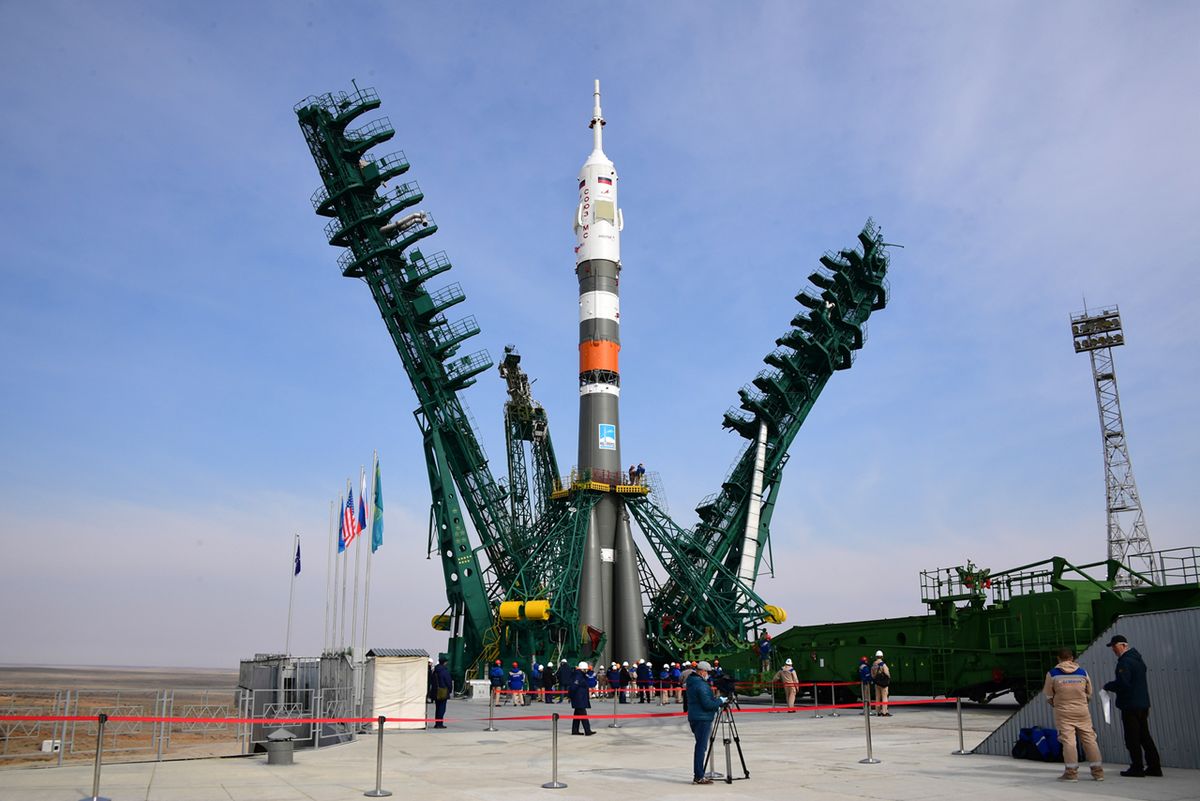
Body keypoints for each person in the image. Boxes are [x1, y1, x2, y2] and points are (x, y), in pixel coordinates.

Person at [1102, 635, 1162, 778]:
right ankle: (1154, 766)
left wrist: (1108, 686)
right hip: (1142, 704)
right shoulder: (1138, 660)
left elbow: (1123, 683)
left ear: (1123, 645)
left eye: (1115, 646)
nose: (1113, 650)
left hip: (1130, 705)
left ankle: (1137, 767)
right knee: (1144, 736)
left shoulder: (1125, 662)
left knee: (1132, 737)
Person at [1043, 647, 1103, 781]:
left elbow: (1048, 695)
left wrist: (1056, 704)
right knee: (1089, 739)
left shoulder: (1052, 674)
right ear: (1072, 658)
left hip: (1063, 711)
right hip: (1082, 710)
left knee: (1069, 741)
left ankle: (1071, 773)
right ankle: (1098, 772)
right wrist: (1082, 702)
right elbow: (1089, 693)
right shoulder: (1082, 672)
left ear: (1058, 659)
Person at [685, 660, 724, 785]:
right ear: (702, 672)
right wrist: (720, 701)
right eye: (707, 672)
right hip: (702, 718)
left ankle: (699, 774)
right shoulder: (701, 685)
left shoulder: (691, 682)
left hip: (695, 717)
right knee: (701, 747)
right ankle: (699, 776)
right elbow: (707, 704)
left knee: (699, 746)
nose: (708, 674)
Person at [568, 661, 596, 736]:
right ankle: (587, 731)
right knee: (583, 715)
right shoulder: (578, 676)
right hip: (579, 698)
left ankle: (575, 730)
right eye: (586, 669)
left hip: (579, 697)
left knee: (577, 715)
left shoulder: (580, 675)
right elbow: (574, 686)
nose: (587, 671)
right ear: (582, 669)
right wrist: (571, 695)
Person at [432, 656, 452, 728]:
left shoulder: (435, 671)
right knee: (442, 708)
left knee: (437, 708)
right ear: (445, 662)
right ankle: (440, 724)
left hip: (436, 691)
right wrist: (449, 690)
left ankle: (437, 723)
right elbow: (448, 682)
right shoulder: (444, 671)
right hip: (443, 691)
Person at [871, 650, 891, 716]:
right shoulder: (883, 664)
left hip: (877, 683)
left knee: (877, 697)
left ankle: (878, 712)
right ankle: (884, 712)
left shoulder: (874, 664)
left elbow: (872, 675)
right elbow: (887, 673)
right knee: (884, 697)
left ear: (876, 656)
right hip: (883, 684)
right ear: (882, 656)